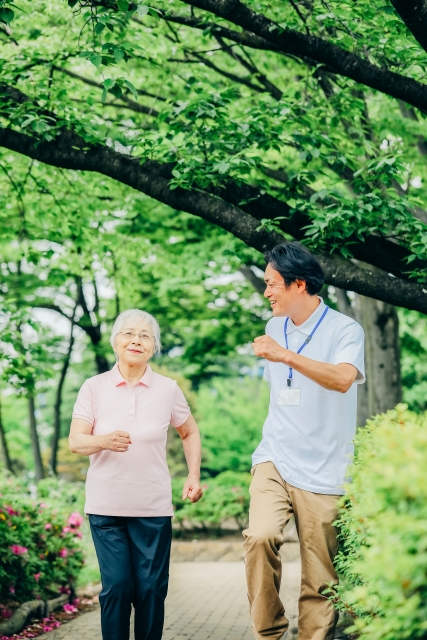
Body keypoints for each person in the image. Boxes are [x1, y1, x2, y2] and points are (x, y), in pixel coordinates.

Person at [245, 242, 365, 640]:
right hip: (275, 456)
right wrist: (280, 355)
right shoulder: (272, 326)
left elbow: (343, 379)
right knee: (260, 536)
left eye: (272, 284)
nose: (267, 293)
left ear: (299, 284)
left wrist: (286, 357)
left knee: (320, 578)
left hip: (326, 466)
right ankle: (268, 632)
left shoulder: (345, 329)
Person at [68, 309, 203, 640]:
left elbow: (189, 432)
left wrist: (193, 475)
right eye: (129, 333)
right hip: (106, 507)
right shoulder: (94, 387)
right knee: (116, 588)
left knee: (151, 590)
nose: (136, 340)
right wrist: (104, 440)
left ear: (153, 346)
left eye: (145, 336)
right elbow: (75, 441)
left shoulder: (168, 389)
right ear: (116, 341)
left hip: (152, 508)